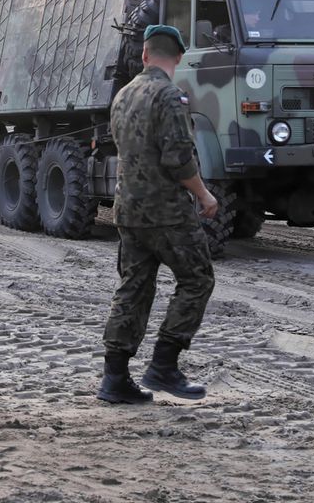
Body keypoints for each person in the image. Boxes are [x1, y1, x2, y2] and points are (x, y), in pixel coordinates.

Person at [99, 24, 219, 404]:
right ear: (179, 57)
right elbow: (178, 158)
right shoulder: (169, 97)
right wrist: (203, 195)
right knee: (197, 279)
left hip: (128, 209)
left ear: (145, 54)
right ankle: (163, 366)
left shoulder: (123, 94)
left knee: (132, 288)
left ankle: (114, 379)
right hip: (166, 212)